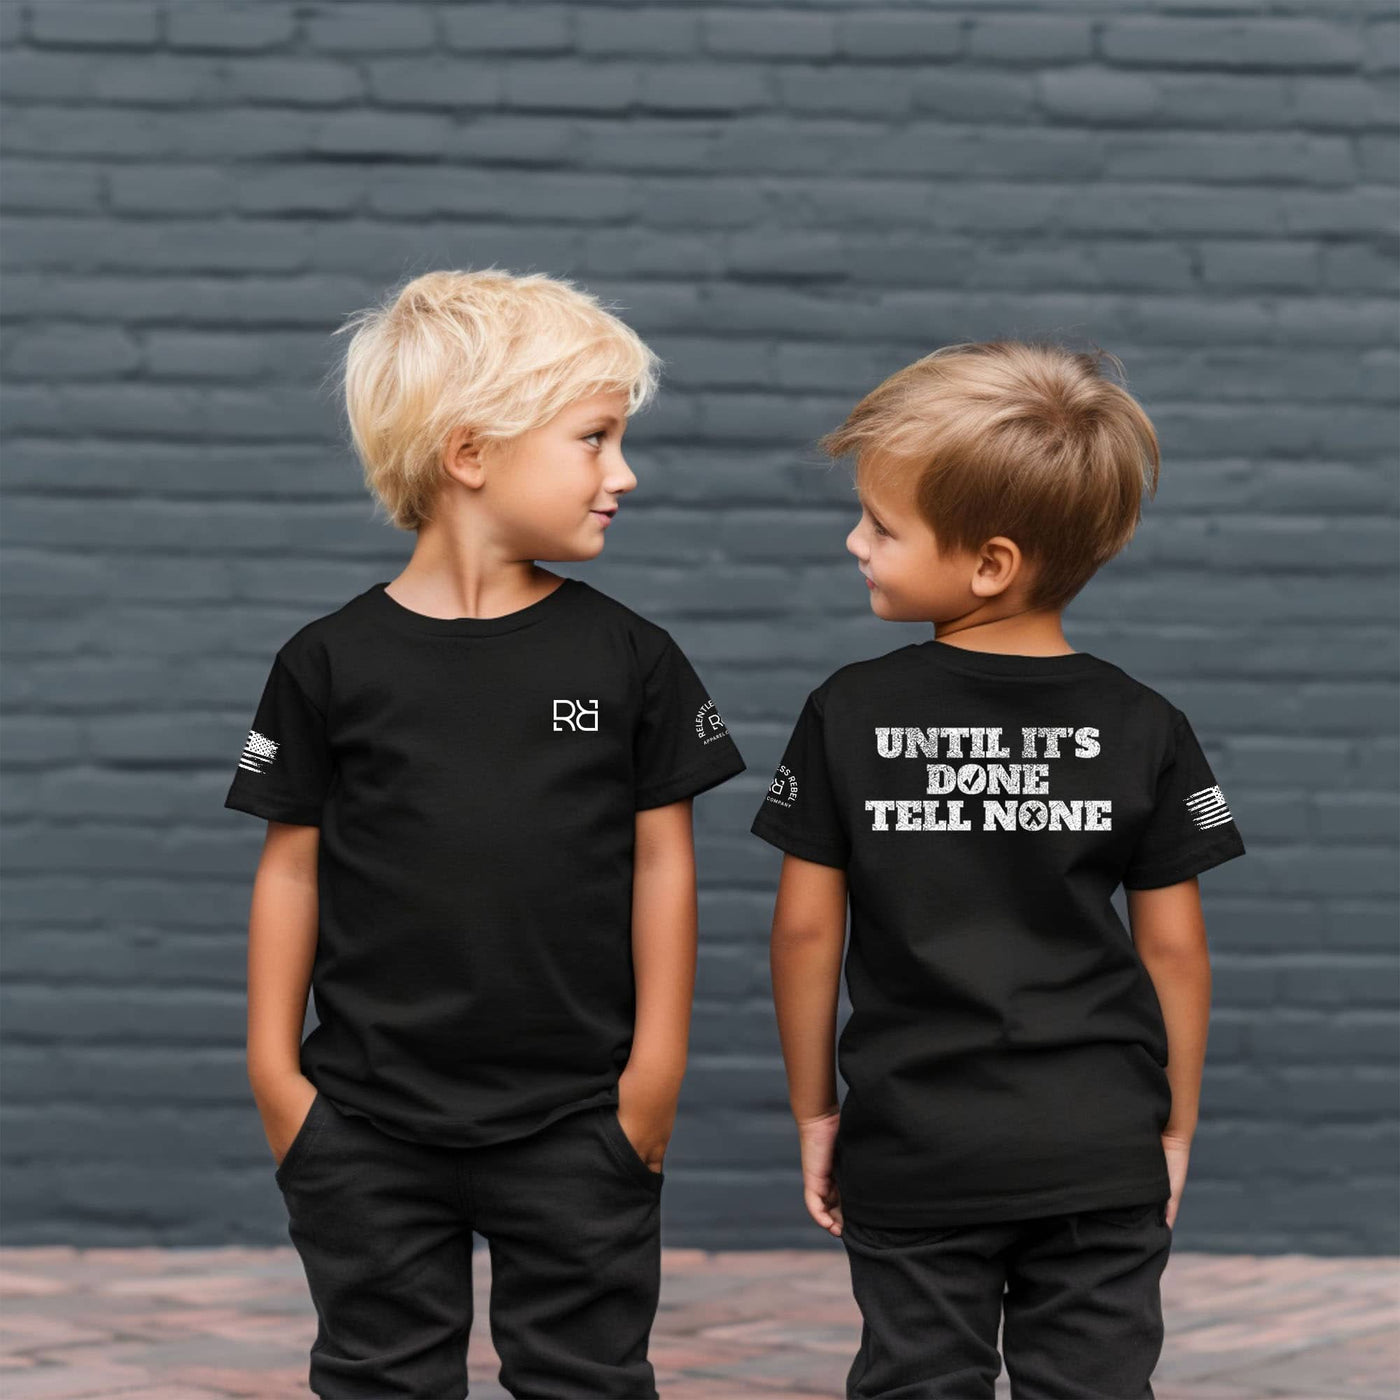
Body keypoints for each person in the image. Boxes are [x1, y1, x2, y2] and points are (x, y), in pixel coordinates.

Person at [225, 268, 745, 1399]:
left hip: (579, 1118)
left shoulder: (632, 659)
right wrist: (276, 1076)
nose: (623, 473)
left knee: (586, 1379)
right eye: (594, 438)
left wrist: (653, 1074)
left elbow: (664, 864)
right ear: (470, 454)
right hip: (362, 1120)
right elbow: (291, 870)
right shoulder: (327, 663)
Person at [750, 340, 1247, 1400]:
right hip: (1099, 1143)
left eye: (881, 526)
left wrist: (815, 1112)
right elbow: (1174, 951)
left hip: (915, 1141)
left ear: (990, 563)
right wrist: (1172, 1125)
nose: (854, 542)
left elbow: (803, 932)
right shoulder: (1145, 723)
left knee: (917, 1380)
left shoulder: (847, 711)